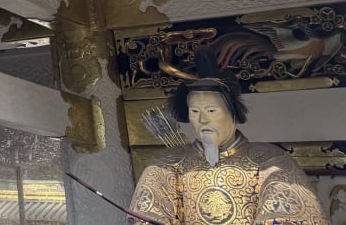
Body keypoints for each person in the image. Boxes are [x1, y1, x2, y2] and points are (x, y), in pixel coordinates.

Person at [128, 55, 329, 224]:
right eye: (195, 111)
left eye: (211, 110)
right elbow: (145, 215)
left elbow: (290, 216)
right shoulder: (167, 165)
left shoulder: (270, 160)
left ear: (232, 114)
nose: (203, 119)